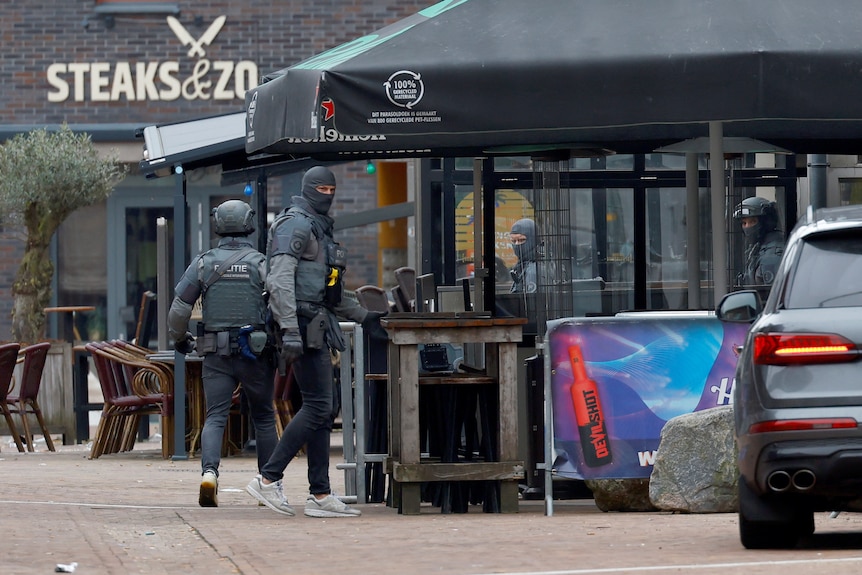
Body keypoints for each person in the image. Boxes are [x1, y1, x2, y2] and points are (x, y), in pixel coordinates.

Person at [246, 166, 386, 518]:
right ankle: (267, 478)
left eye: (331, 188)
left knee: (323, 409)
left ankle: (319, 494)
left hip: (315, 322)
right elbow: (278, 280)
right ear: (307, 189)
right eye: (320, 188)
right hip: (303, 326)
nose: (327, 194)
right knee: (320, 407)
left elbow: (329, 291)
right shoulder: (295, 225)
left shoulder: (318, 228)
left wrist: (366, 316)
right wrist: (290, 329)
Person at [167, 199, 278, 508]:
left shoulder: (203, 263)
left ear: (217, 225)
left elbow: (179, 310)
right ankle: (267, 485)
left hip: (215, 352)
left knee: (215, 416)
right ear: (250, 224)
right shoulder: (260, 263)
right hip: (255, 353)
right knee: (264, 417)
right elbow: (281, 302)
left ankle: (210, 474)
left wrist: (179, 340)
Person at [733, 196, 785, 286]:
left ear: (767, 222)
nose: (747, 227)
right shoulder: (757, 248)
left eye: (753, 221)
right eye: (744, 223)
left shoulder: (772, 255)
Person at [509, 218, 539, 293]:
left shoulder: (534, 270)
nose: (516, 245)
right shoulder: (522, 265)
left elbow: (531, 301)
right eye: (513, 241)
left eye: (521, 240)